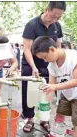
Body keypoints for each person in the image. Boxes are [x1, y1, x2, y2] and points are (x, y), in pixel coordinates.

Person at [32, 36, 77, 137]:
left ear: (52, 49)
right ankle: (59, 133)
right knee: (59, 115)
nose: (45, 61)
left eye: (44, 57)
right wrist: (46, 105)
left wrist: (54, 87)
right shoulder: (51, 65)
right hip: (66, 93)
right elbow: (51, 86)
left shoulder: (75, 57)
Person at [21, 1, 66, 133]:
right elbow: (27, 49)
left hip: (48, 65)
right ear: (47, 10)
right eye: (53, 16)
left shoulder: (57, 26)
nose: (55, 19)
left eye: (59, 17)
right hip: (30, 65)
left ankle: (44, 119)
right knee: (29, 92)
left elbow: (58, 47)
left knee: (47, 91)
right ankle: (29, 118)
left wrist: (58, 65)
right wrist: (33, 67)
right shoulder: (31, 25)